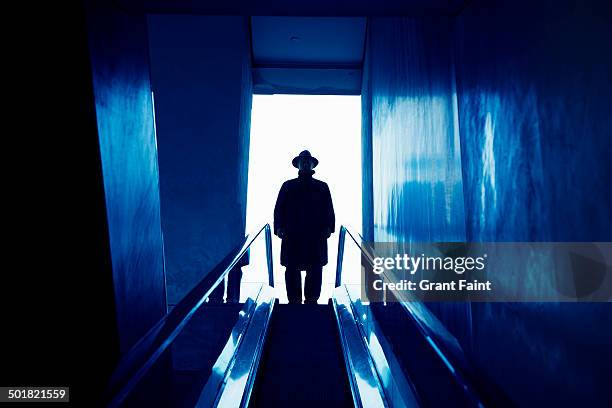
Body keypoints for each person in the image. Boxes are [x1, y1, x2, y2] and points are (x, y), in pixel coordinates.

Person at [274, 150, 335, 304]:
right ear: (298, 165)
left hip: (315, 234)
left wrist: (328, 227)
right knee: (292, 268)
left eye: (308, 161)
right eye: (303, 161)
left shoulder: (322, 187)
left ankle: (311, 300)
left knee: (315, 268)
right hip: (293, 234)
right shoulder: (288, 186)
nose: (306, 163)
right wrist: (280, 227)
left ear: (313, 164)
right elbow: (279, 208)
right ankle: (294, 300)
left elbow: (329, 209)